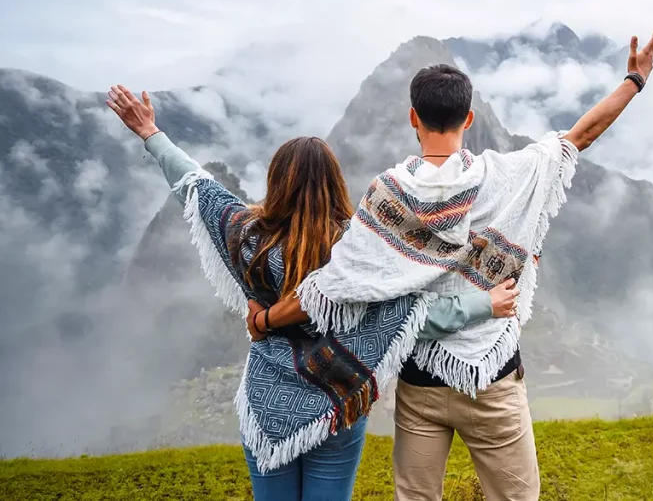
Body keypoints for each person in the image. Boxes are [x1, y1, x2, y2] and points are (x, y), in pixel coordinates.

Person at [256, 30, 653, 500]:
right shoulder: (508, 176)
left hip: (420, 380)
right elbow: (579, 136)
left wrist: (265, 319)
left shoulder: (386, 196)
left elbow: (331, 289)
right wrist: (634, 79)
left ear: (413, 118)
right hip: (493, 378)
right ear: (468, 117)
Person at [105, 85, 521, 501]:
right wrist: (484, 303)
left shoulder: (249, 237)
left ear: (276, 180)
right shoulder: (357, 252)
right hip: (337, 401)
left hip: (267, 403)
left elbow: (195, 186)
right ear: (334, 183)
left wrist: (150, 133)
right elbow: (410, 316)